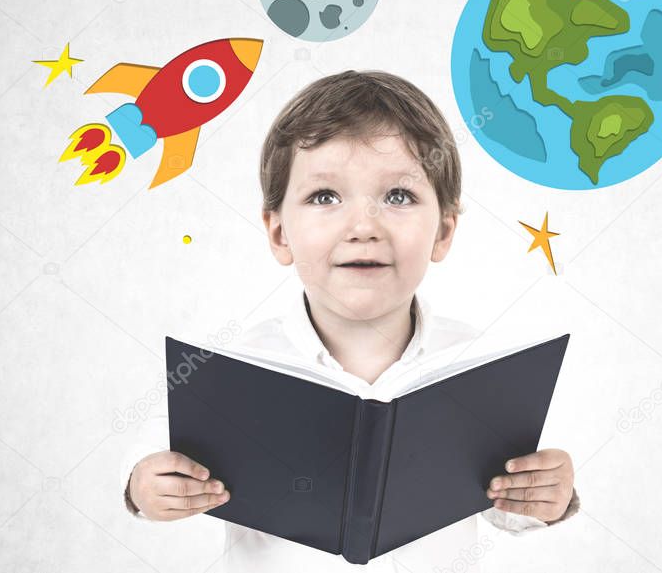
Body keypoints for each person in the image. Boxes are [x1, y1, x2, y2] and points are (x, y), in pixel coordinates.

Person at [120, 70, 580, 571]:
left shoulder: (480, 367)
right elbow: (154, 461)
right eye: (325, 197)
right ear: (279, 233)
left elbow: (511, 499)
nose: (363, 227)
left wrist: (552, 496)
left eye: (398, 197)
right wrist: (144, 486)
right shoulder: (228, 369)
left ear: (444, 232)